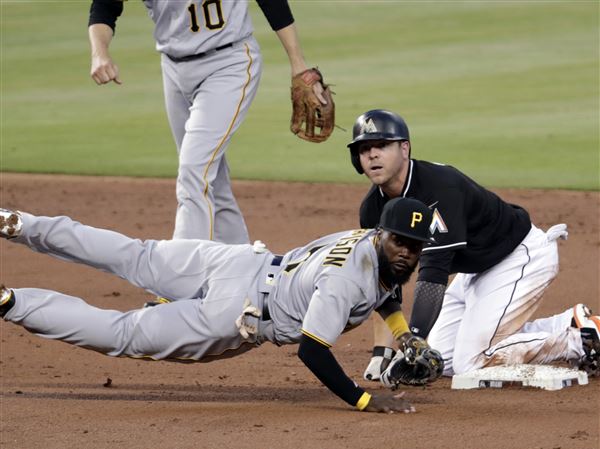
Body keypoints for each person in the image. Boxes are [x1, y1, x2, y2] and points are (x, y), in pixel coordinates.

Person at [0, 198, 437, 413]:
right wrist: (364, 400)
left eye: (415, 247)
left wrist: (401, 332)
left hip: (234, 261)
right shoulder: (346, 283)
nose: (407, 254)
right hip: (234, 314)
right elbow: (312, 350)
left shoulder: (366, 242)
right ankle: (10, 303)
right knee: (124, 334)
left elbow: (387, 287)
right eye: (400, 242)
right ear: (381, 234)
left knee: (134, 254)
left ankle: (20, 224)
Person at [346, 109, 600, 380]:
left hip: (519, 257)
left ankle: (580, 340)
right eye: (364, 149)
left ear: (405, 148)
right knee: (442, 362)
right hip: (476, 271)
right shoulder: (373, 211)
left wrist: (414, 339)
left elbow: (434, 273)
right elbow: (384, 284)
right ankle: (566, 322)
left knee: (471, 362)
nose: (372, 154)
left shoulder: (438, 188)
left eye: (382, 145)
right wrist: (382, 353)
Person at [88, 0, 327, 242]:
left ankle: (182, 269)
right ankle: (239, 267)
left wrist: (297, 62)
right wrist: (100, 53)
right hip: (172, 68)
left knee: (193, 171)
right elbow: (106, 5)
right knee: (212, 181)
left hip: (230, 62)